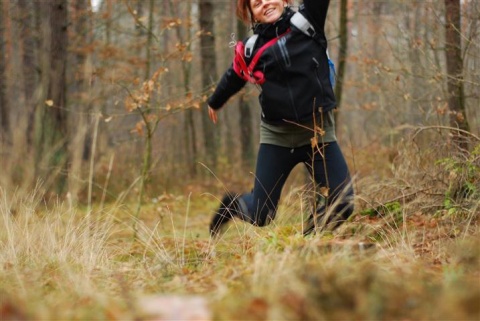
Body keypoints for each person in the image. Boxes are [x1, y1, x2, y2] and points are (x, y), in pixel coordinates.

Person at [207, 0, 354, 237]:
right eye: (256, 4)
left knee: (344, 203)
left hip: (318, 136)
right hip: (277, 139)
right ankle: (232, 205)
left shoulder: (308, 22)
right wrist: (215, 101)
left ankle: (309, 239)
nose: (265, 4)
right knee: (261, 215)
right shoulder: (251, 49)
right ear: (252, 15)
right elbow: (234, 76)